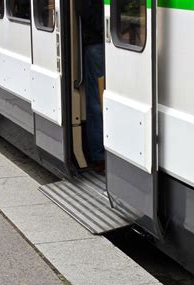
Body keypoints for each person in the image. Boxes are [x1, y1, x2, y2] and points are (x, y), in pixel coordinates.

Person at [76, 0, 105, 174]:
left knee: (99, 102)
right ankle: (99, 156)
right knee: (97, 103)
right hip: (98, 43)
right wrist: (107, 30)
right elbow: (86, 9)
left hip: (104, 42)